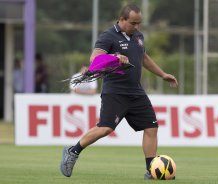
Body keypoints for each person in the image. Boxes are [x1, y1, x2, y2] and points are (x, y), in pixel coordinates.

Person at [60, 4, 178, 180]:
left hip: (136, 92)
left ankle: (151, 170)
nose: (137, 27)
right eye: (133, 23)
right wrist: (114, 58)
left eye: (139, 23)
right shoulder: (108, 36)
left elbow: (143, 57)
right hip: (115, 91)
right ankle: (72, 151)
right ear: (122, 19)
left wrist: (162, 74)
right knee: (105, 128)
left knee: (151, 127)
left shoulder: (138, 36)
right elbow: (94, 60)